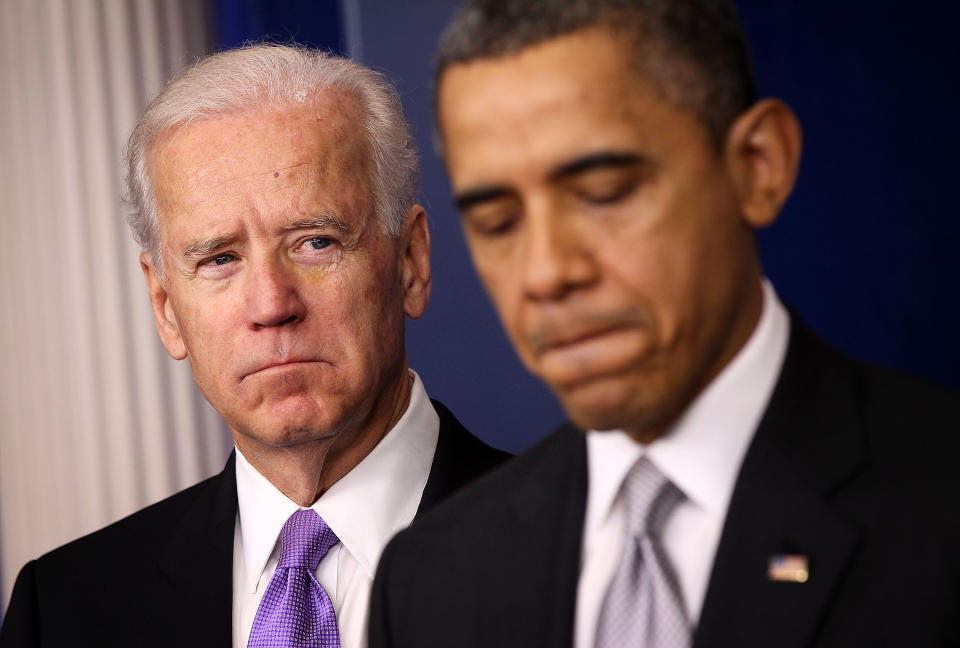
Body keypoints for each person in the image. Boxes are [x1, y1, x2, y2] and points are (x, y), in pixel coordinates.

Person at [369, 1, 960, 646]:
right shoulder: (429, 581)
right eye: (497, 223)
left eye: (605, 193)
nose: (545, 272)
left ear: (757, 165)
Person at [0, 44, 507, 648]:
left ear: (410, 262)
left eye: (316, 242)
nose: (271, 305)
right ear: (167, 309)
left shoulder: (586, 549)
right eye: (219, 258)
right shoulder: (63, 609)